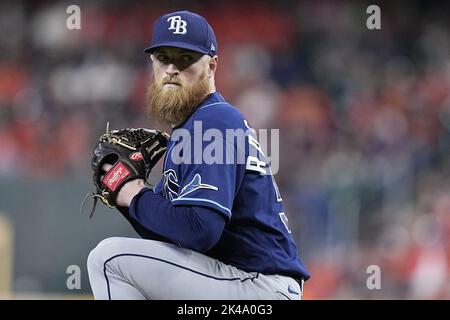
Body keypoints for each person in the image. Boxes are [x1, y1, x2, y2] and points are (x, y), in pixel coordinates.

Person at [87, 10, 310, 300]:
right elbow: (176, 237)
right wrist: (126, 200)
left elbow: (200, 232)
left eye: (185, 58)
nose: (171, 68)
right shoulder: (194, 129)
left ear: (212, 66)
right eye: (163, 57)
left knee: (107, 260)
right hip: (244, 284)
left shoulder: (212, 121)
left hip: (258, 286)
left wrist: (135, 194)